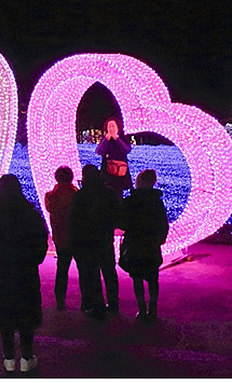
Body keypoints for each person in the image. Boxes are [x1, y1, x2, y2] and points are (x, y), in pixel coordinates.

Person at [0, 174, 48, 373]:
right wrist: (34, 258)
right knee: (25, 314)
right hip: (24, 270)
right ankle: (27, 357)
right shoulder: (30, 214)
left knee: (5, 316)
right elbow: (40, 242)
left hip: (1, 269)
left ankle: (9, 358)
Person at [69, 164, 121, 318]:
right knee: (109, 272)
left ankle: (97, 305)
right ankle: (113, 303)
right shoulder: (109, 193)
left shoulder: (81, 195)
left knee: (92, 273)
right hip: (104, 238)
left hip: (87, 240)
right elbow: (117, 214)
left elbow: (74, 219)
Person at [120, 169, 169, 323]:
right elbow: (163, 224)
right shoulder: (157, 202)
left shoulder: (131, 201)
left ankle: (141, 310)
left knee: (137, 278)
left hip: (135, 243)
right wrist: (160, 239)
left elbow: (122, 222)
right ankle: (152, 310)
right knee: (153, 278)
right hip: (151, 244)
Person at [44, 166, 78, 310]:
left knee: (62, 269)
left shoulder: (51, 196)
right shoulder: (77, 195)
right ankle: (87, 301)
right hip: (76, 236)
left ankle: (60, 299)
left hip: (60, 236)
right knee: (84, 270)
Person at [95, 117, 133, 194]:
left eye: (113, 126)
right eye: (109, 127)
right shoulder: (105, 139)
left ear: (118, 127)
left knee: (118, 191)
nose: (111, 129)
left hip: (120, 169)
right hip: (107, 169)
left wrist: (117, 139)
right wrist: (106, 140)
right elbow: (99, 151)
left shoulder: (124, 138)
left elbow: (126, 150)